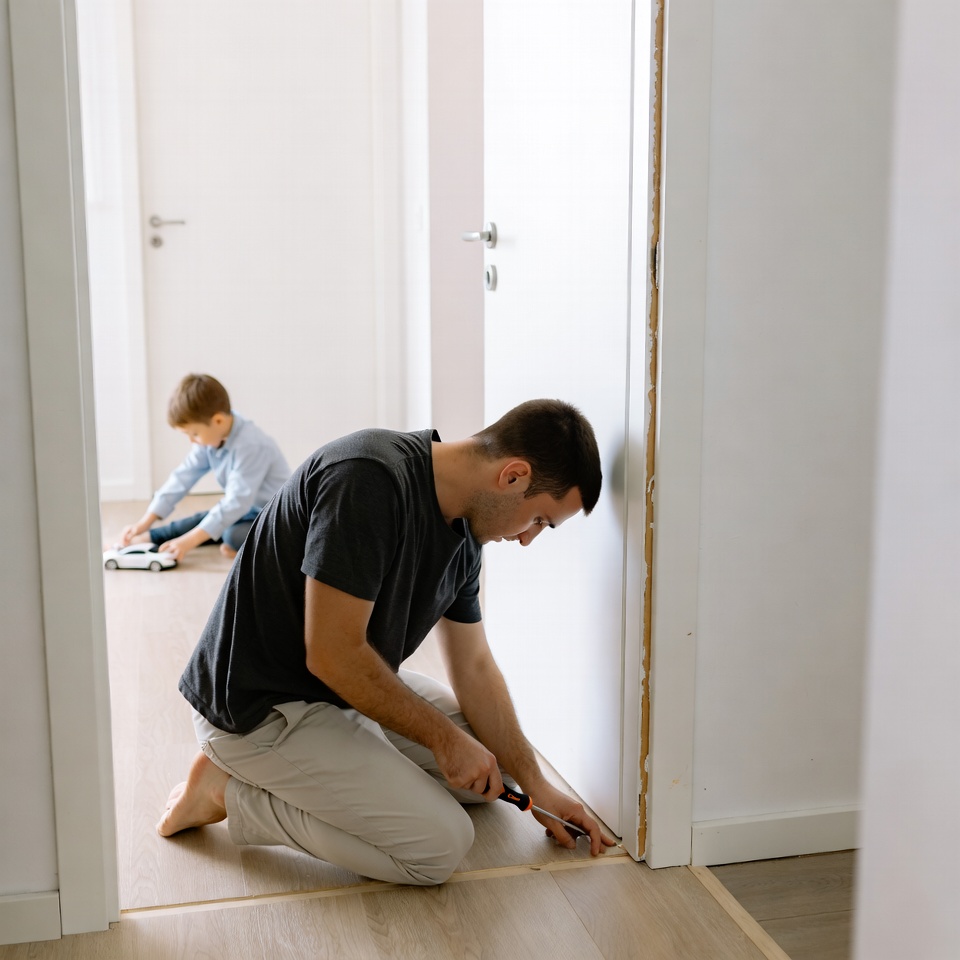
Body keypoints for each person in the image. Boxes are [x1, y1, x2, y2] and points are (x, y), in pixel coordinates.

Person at [157, 399, 616, 885]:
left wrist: (537, 783)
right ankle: (223, 792)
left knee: (498, 768)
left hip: (338, 694)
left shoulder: (466, 535)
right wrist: (442, 739)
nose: (528, 539)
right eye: (540, 520)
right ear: (514, 476)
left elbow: (475, 665)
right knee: (438, 848)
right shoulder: (367, 478)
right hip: (258, 707)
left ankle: (350, 761)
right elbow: (333, 654)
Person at [120, 374, 291, 561]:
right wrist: (145, 522)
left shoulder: (252, 445)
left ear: (218, 421)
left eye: (194, 434)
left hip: (273, 518)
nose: (191, 441)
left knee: (231, 534)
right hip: (246, 511)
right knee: (205, 517)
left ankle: (247, 552)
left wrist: (188, 542)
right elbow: (182, 477)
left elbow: (236, 502)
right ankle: (150, 537)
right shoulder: (212, 438)